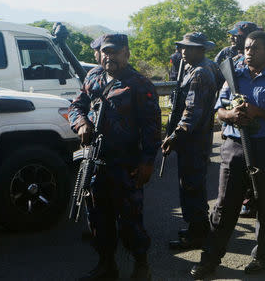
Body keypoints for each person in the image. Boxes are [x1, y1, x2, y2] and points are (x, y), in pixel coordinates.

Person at [190, 31, 265, 278]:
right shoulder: (232, 78)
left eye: (255, 48)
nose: (248, 52)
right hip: (234, 147)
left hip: (264, 148)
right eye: (247, 47)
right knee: (224, 206)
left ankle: (262, 258)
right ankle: (210, 260)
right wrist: (232, 115)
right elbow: (219, 111)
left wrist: (258, 112)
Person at [69, 34, 161, 280]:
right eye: (106, 52)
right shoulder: (93, 77)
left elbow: (152, 128)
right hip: (96, 162)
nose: (110, 57)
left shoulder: (139, 85)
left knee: (130, 218)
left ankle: (141, 265)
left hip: (126, 163)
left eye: (115, 52)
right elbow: (76, 106)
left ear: (127, 54)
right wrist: (81, 123)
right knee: (98, 218)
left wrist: (147, 162)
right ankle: (106, 264)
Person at [161, 32, 218, 250]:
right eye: (182, 47)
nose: (183, 51)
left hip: (194, 140)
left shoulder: (200, 73)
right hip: (195, 139)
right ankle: (198, 228)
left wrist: (175, 136)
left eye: (190, 47)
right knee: (192, 186)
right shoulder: (197, 68)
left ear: (201, 49)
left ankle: (198, 234)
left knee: (192, 186)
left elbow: (192, 112)